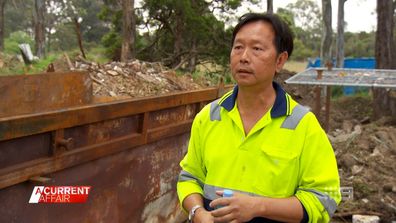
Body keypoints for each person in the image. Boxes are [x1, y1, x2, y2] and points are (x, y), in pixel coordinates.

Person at [177, 12, 341, 223]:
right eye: (238, 47)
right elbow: (189, 178)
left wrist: (259, 206)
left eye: (257, 48)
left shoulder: (302, 125)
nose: (244, 57)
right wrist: (197, 213)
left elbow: (323, 198)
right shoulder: (209, 117)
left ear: (280, 60)